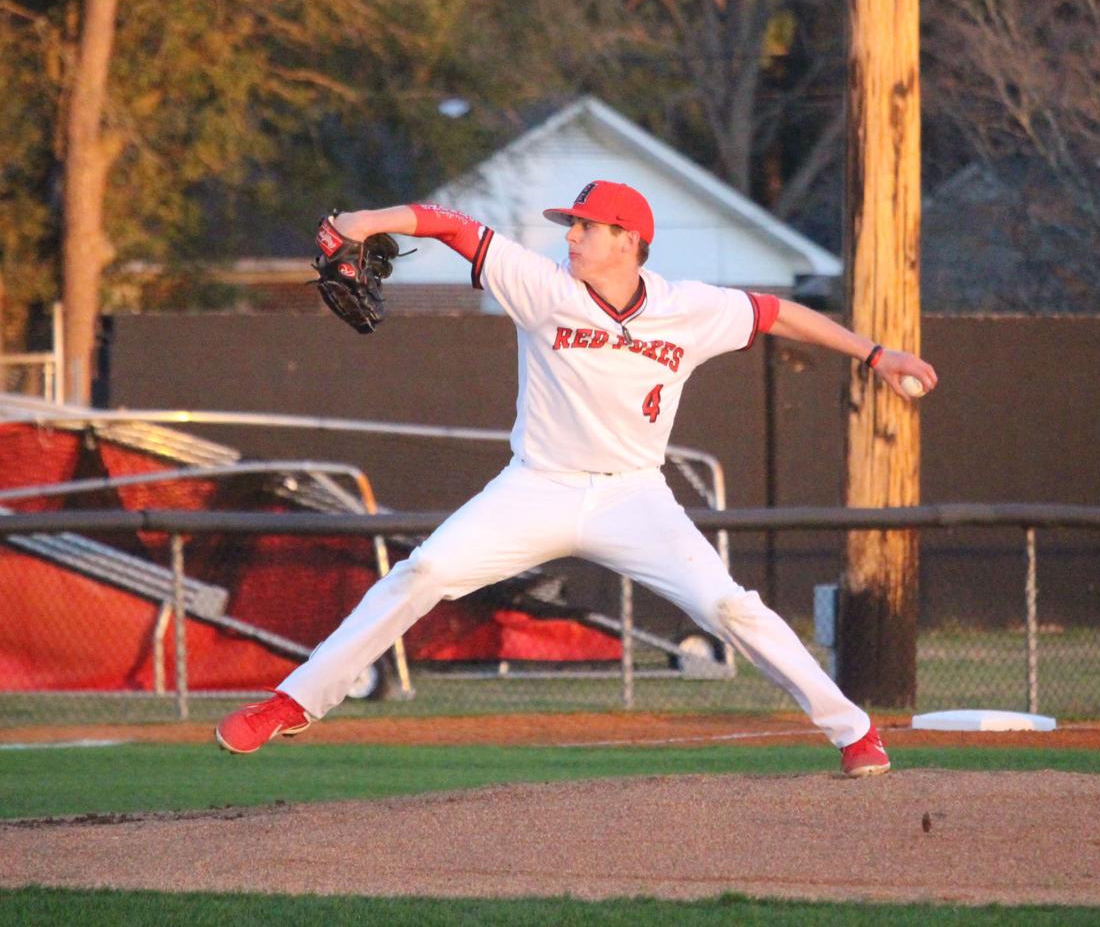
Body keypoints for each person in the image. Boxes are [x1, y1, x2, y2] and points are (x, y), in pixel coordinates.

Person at [215, 180, 938, 776]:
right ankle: (293, 702)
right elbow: (446, 225)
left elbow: (780, 314)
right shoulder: (543, 287)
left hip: (635, 495)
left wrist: (877, 356)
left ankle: (853, 730)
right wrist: (365, 220)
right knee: (423, 571)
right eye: (570, 226)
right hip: (537, 486)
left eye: (586, 227)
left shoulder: (691, 307)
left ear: (628, 241)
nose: (569, 237)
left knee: (730, 607)